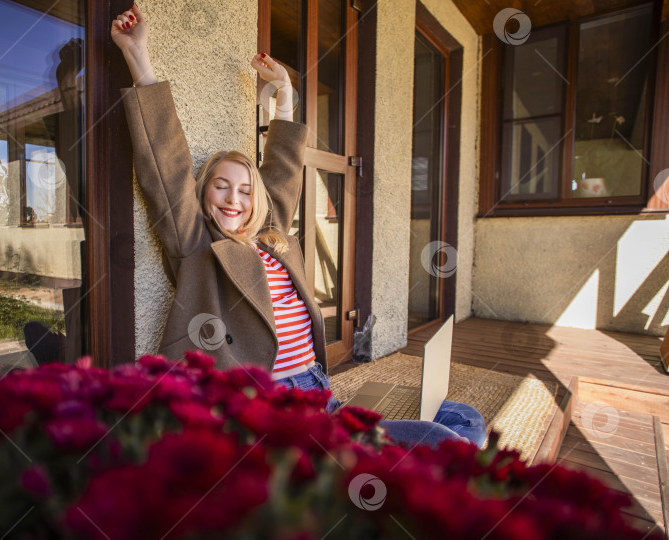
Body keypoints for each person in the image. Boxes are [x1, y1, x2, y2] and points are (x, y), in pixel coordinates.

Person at [111, 4, 485, 448]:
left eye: (246, 189)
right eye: (221, 187)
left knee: (463, 417)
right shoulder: (196, 245)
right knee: (439, 440)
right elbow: (167, 170)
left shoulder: (271, 236)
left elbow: (283, 172)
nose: (235, 198)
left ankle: (352, 458)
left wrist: (285, 96)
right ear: (202, 196)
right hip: (269, 405)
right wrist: (139, 58)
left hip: (315, 388)